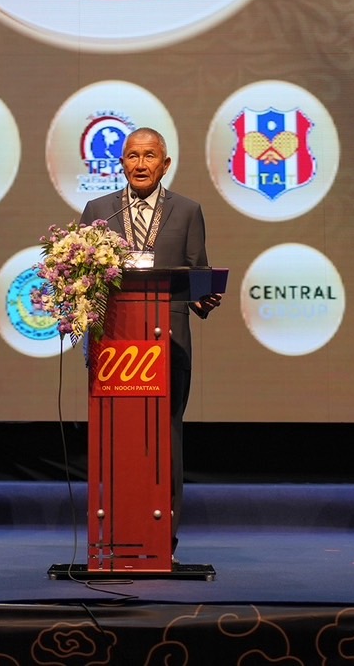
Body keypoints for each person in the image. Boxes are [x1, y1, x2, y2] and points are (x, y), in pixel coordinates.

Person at [79, 127, 221, 549]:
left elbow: (198, 272)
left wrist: (204, 297)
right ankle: (117, 529)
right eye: (133, 156)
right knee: (116, 437)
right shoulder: (98, 210)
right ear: (122, 162)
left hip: (169, 342)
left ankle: (163, 534)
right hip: (114, 343)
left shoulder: (188, 211)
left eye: (149, 156)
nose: (140, 164)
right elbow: (82, 275)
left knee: (166, 435)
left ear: (165, 163)